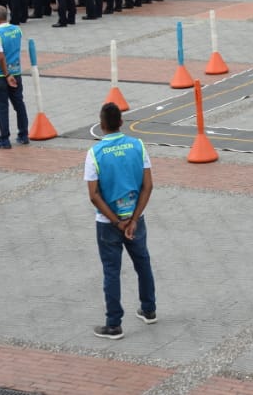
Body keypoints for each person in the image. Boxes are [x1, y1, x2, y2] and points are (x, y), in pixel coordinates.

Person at [85, 101, 156, 340]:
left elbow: (94, 195)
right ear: (122, 123)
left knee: (111, 271)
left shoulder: (94, 153)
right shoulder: (138, 145)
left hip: (108, 224)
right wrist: (133, 219)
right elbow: (148, 186)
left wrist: (116, 222)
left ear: (101, 125)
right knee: (142, 262)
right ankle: (149, 309)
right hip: (136, 218)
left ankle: (114, 324)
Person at [0, 5, 29, 148]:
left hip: (0, 76)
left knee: (2, 107)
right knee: (19, 104)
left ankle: (4, 139)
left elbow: (0, 56)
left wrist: (6, 74)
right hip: (16, 72)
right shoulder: (17, 30)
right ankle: (23, 135)